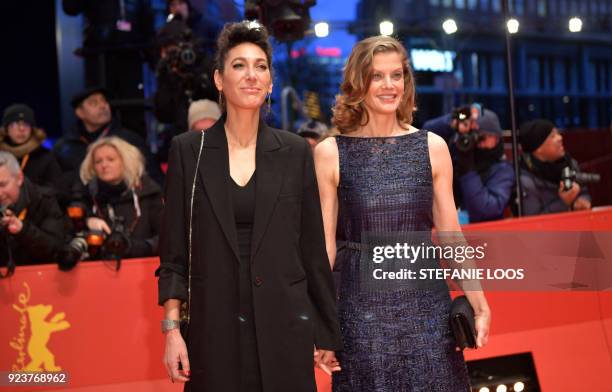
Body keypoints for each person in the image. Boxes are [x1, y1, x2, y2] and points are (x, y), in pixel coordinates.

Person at [157, 21, 342, 391]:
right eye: (239, 65)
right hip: (213, 330)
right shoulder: (188, 151)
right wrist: (172, 331)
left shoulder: (294, 152)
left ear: (271, 82)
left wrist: (326, 332)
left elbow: (311, 252)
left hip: (285, 325)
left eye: (261, 66)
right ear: (219, 79)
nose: (251, 75)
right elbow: (174, 255)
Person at [315, 36, 490, 391]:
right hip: (361, 315)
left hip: (428, 311)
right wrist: (321, 327)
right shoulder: (330, 153)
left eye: (397, 75)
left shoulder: (432, 148)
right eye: (377, 76)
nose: (389, 85)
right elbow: (323, 252)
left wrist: (479, 302)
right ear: (357, 82)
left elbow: (451, 236)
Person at [53, 87, 163, 193]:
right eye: (94, 103)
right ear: (80, 113)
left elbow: (154, 178)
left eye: (104, 101)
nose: (103, 106)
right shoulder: (64, 147)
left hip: (126, 205)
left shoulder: (129, 140)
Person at [71, 137, 162, 259]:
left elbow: (168, 239)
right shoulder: (85, 195)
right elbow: (67, 233)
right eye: (98, 161)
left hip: (144, 267)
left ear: (126, 161)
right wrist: (86, 221)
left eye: (111, 159)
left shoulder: (149, 193)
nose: (104, 165)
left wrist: (134, 247)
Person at [424, 106, 515, 222]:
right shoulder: (460, 152)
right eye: (477, 136)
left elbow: (486, 211)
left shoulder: (502, 170)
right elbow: (425, 134)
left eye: (484, 136)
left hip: (485, 234)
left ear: (497, 138)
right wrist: (453, 121)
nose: (480, 142)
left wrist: (468, 171)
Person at [0, 152, 65, 269]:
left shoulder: (44, 200)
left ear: (19, 178)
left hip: (38, 278)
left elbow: (56, 249)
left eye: (3, 185)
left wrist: (23, 230)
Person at [519, 119, 591, 215]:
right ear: (538, 148)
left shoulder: (570, 164)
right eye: (552, 136)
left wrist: (584, 201)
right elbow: (533, 222)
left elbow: (583, 191)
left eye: (558, 133)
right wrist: (564, 202)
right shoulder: (525, 180)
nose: (560, 138)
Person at [0, 104, 64, 195]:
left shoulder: (44, 155)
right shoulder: (1, 155)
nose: (21, 129)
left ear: (32, 129)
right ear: (6, 129)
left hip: (38, 207)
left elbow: (60, 191)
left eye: (26, 124)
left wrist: (27, 193)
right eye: (15, 124)